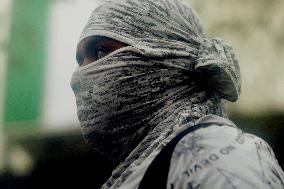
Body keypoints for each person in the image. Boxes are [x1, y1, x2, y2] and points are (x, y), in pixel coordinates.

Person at [70, 0, 284, 188]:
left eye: (101, 52)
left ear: (168, 56)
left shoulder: (216, 155)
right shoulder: (139, 166)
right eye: (80, 61)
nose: (80, 75)